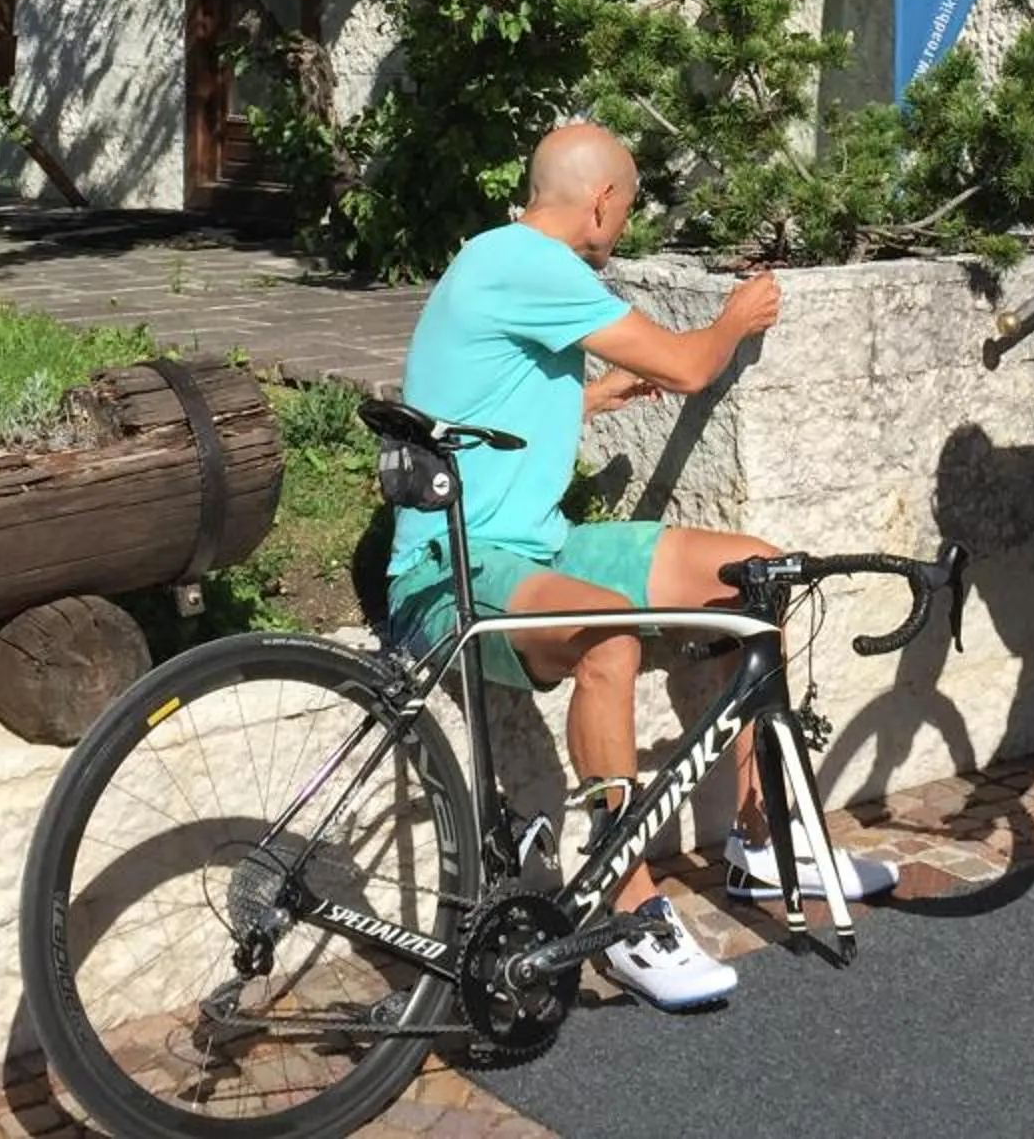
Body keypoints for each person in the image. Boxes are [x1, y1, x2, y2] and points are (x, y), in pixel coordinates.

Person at [381, 123, 899, 1012]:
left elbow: (481, 401)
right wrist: (736, 317)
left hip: (531, 544)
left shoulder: (498, 260)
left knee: (757, 573)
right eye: (627, 206)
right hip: (450, 567)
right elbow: (693, 367)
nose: (623, 224)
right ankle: (626, 913)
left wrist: (588, 396)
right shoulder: (535, 263)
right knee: (608, 640)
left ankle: (761, 839)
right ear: (601, 202)